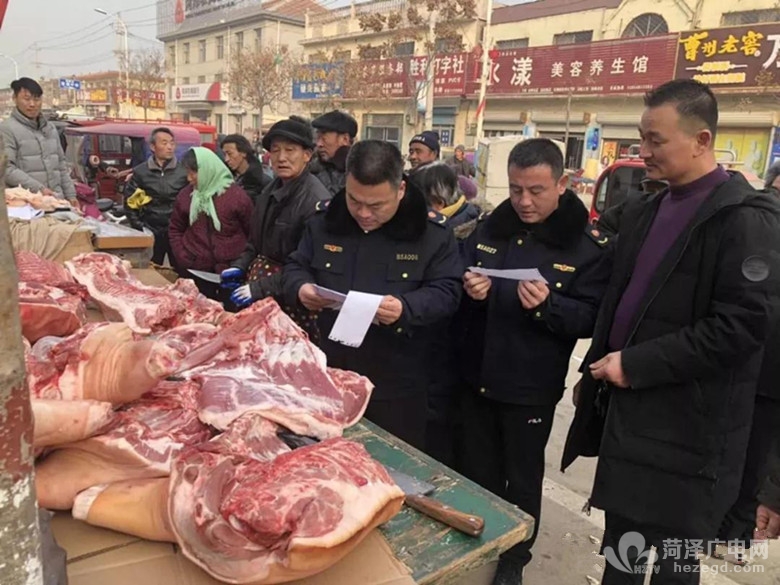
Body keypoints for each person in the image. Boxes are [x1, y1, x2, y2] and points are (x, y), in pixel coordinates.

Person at [562, 79, 780, 585]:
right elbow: (615, 298)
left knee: (674, 568)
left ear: (702, 141)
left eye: (656, 141)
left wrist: (633, 365)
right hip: (631, 423)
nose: (645, 152)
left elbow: (741, 327)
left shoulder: (743, 221)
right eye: (642, 138)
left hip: (690, 433)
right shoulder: (646, 210)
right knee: (622, 560)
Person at [458, 138, 611, 585]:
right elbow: (460, 273)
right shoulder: (490, 229)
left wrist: (547, 307)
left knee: (521, 479)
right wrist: (471, 292)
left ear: (562, 183)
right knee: (476, 470)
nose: (524, 201)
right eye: (516, 189)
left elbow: (590, 318)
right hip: (476, 376)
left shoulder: (586, 248)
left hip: (529, 388)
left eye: (537, 190)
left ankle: (513, 562)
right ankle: (480, 542)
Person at [282, 140, 463, 449]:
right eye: (355, 201)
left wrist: (406, 307)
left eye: (376, 206)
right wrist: (301, 287)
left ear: (401, 190)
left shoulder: (430, 235)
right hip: (332, 373)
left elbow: (448, 291)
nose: (363, 213)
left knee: (393, 470)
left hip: (398, 383)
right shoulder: (326, 221)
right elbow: (295, 265)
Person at [224, 118, 330, 317]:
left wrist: (259, 289)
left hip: (291, 298)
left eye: (290, 150)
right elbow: (255, 242)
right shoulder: (269, 191)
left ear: (307, 155)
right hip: (264, 294)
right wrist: (239, 265)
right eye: (275, 150)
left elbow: (310, 265)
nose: (281, 158)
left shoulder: (316, 200)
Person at [168, 147, 253, 301]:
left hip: (230, 273)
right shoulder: (185, 196)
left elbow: (252, 233)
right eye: (187, 172)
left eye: (193, 172)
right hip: (195, 270)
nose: (189, 178)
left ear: (207, 169)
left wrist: (240, 264)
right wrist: (183, 256)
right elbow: (175, 229)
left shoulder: (236, 197)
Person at [0, 77, 77, 206]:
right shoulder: (6, 129)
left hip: (57, 200)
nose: (32, 104)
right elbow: (7, 169)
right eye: (27, 99)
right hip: (28, 203)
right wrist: (39, 189)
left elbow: (61, 165)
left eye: (36, 99)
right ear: (15, 99)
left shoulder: (50, 128)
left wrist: (71, 195)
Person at [124, 127, 189, 266]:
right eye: (164, 143)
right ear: (153, 146)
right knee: (152, 273)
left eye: (172, 143)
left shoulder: (184, 172)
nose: (169, 147)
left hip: (177, 233)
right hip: (151, 231)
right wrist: (141, 227)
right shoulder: (141, 173)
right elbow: (131, 205)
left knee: (182, 272)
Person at [311, 110, 358, 197]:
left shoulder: (360, 173)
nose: (319, 144)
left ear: (345, 139)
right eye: (318, 138)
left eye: (324, 139)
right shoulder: (312, 170)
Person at [220, 134, 271, 205]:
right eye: (224, 155)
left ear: (243, 152)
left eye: (230, 154)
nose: (226, 159)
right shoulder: (225, 180)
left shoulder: (265, 182)